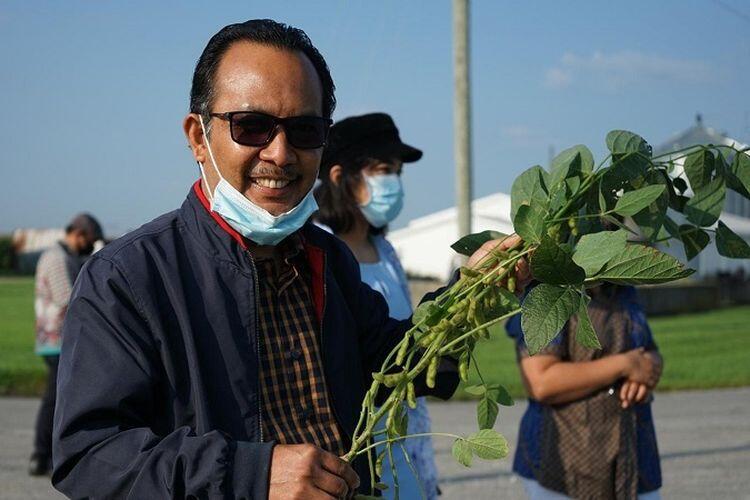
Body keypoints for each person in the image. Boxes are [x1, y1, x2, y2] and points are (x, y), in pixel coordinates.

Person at [51, 20, 522, 499]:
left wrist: (470, 296)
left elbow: (394, 365)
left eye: (304, 130)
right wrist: (251, 475)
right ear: (198, 137)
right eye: (251, 126)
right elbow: (90, 456)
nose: (280, 153)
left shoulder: (326, 258)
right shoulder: (128, 278)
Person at [315, 113, 439, 499]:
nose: (394, 183)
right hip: (356, 443)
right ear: (339, 177)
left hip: (408, 431)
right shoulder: (317, 251)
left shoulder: (385, 251)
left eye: (398, 172)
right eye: (384, 170)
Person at [505, 283, 664, 500]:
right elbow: (541, 382)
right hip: (567, 467)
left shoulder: (624, 287)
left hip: (633, 461)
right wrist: (624, 365)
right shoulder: (548, 288)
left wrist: (650, 366)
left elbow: (646, 348)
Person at [30, 213, 102, 476]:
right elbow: (66, 298)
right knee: (55, 399)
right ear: (79, 234)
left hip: (57, 338)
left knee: (57, 398)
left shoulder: (64, 257)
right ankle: (41, 454)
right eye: (89, 241)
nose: (89, 246)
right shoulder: (57, 258)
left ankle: (43, 454)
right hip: (56, 339)